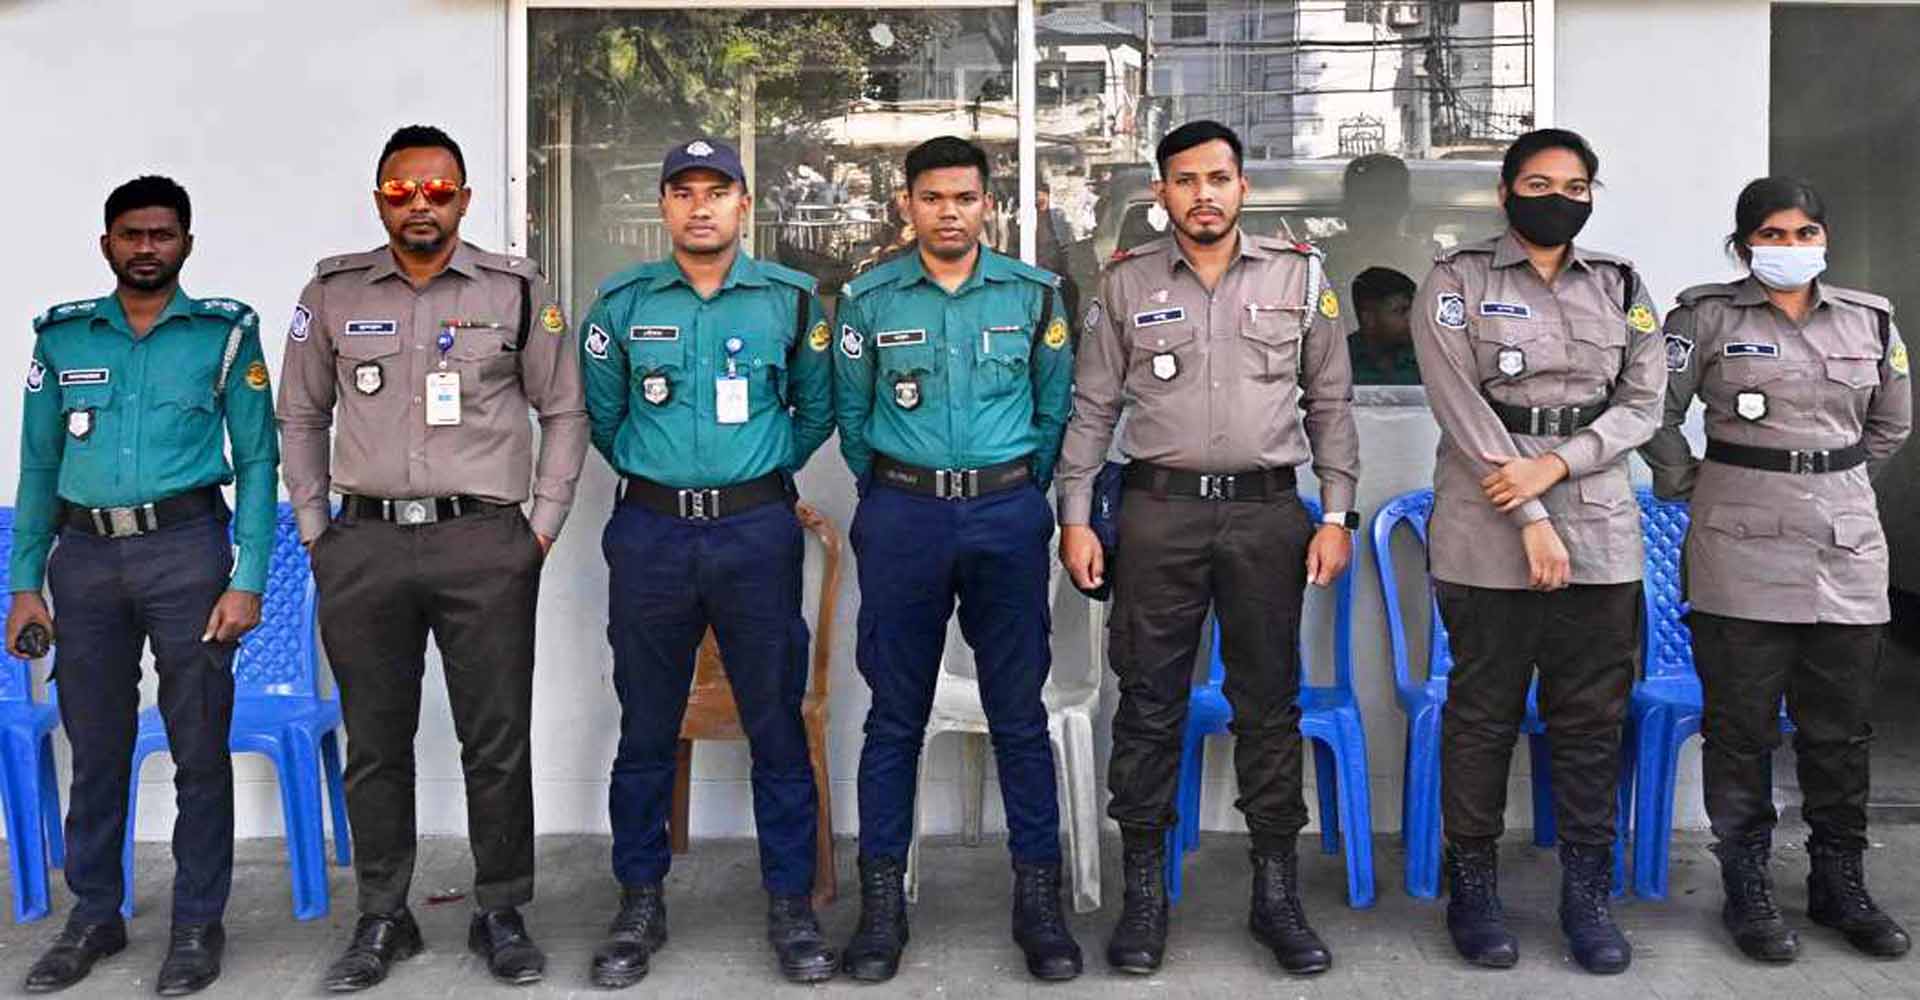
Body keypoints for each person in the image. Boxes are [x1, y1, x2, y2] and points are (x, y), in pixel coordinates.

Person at [277, 125, 588, 990]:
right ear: (380, 199)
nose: (421, 203)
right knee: (376, 742)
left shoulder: (515, 290)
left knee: (496, 738)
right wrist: (315, 527)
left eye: (439, 190)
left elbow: (565, 410)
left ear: (465, 199)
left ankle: (501, 910)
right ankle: (384, 914)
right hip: (365, 544)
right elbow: (300, 415)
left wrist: (540, 527)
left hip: (483, 541)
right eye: (402, 190)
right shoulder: (331, 292)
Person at [1057, 119, 1360, 979]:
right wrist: (1075, 515)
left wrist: (1337, 514)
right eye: (1185, 180)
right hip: (1160, 515)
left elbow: (1331, 403)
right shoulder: (1125, 283)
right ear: (1163, 193)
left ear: (1242, 188)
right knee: (1149, 704)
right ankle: (1144, 896)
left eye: (1217, 179)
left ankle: (1276, 896)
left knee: (1270, 704)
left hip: (1268, 517)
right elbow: (1092, 408)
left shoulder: (1301, 276)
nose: (1203, 195)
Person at [577, 138, 838, 986]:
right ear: (663, 205)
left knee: (776, 722)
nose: (700, 207)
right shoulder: (621, 304)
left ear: (743, 205)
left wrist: (752, 477)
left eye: (716, 191)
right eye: (683, 192)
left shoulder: (790, 301)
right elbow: (606, 421)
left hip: (754, 534)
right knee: (646, 723)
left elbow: (815, 412)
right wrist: (669, 478)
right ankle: (639, 900)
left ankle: (791, 904)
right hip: (652, 535)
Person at [9, 176, 278, 997]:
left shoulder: (225, 335)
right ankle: (94, 914)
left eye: (162, 234)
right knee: (95, 749)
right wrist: (25, 584)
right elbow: (38, 465)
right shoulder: (63, 339)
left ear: (186, 243)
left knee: (198, 746)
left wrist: (248, 577)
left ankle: (196, 923)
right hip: (84, 560)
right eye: (132, 234)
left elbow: (258, 460)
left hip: (187, 553)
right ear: (107, 244)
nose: (147, 247)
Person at [1408, 128, 1664, 975]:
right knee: (1482, 716)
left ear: (1592, 194)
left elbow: (1643, 403)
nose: (1559, 198)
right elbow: (1458, 404)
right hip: (1487, 524)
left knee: (1590, 722)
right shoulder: (1457, 280)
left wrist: (1557, 465)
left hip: (1599, 522)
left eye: (1576, 186)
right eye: (1540, 183)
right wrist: (1529, 514)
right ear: (1506, 192)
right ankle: (1474, 890)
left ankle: (1587, 895)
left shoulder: (1621, 284)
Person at [1640, 176, 1912, 964]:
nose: (1789, 247)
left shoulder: (1871, 320)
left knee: (1840, 730)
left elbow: (1891, 424)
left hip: (1843, 547)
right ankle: (1748, 885)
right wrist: (1685, 480)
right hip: (1739, 543)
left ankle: (1840, 881)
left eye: (1804, 234)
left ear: (1823, 240)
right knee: (1741, 727)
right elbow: (1653, 409)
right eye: (1772, 234)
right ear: (1743, 244)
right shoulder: (1704, 318)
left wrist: (1831, 477)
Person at [832, 135, 1081, 983]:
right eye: (932, 197)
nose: (949, 213)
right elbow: (852, 420)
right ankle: (881, 906)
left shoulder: (1033, 295)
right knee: (894, 716)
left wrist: (1012, 490)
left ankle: (1038, 903)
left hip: (1006, 515)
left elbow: (1054, 411)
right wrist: (898, 492)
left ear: (988, 205)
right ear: (906, 205)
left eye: (965, 198)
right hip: (903, 515)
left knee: (1019, 715)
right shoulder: (868, 300)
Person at [1348, 266, 1421, 385]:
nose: (1411, 318)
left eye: (1414, 309)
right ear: (1369, 318)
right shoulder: (1339, 359)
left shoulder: (1424, 355)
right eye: (1401, 311)